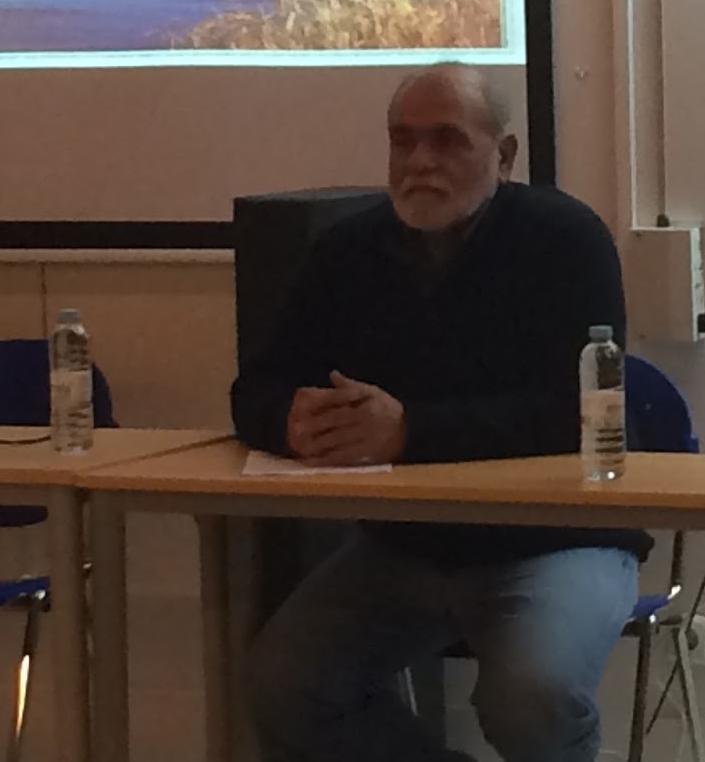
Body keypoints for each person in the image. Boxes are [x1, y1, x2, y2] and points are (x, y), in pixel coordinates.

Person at [231, 63, 647, 762]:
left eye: (447, 140)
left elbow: (578, 414)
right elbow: (256, 387)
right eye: (403, 140)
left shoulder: (566, 240)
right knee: (283, 685)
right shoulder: (347, 251)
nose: (420, 160)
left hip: (557, 537)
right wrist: (289, 420)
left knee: (528, 700)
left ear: (504, 156)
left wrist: (410, 431)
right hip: (408, 542)